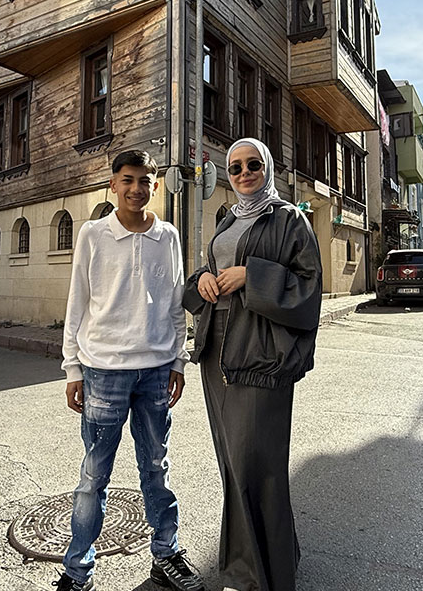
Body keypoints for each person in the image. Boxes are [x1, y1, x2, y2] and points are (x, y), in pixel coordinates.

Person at [56, 150, 202, 591]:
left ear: (155, 185)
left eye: (144, 180)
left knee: (156, 467)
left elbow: (177, 302)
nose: (136, 188)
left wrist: (178, 359)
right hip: (103, 373)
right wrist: (72, 368)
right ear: (113, 185)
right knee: (94, 476)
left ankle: (166, 554)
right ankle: (77, 572)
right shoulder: (93, 234)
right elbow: (77, 301)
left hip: (157, 371)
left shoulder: (168, 236)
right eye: (127, 179)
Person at [183, 138, 323, 591]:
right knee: (234, 465)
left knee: (255, 466)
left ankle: (256, 577)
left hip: (261, 353)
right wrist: (203, 278)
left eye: (253, 164)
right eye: (236, 166)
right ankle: (266, 565)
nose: (244, 173)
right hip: (216, 351)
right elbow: (205, 278)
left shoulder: (289, 219)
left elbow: (309, 287)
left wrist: (252, 276)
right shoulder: (226, 220)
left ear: (268, 167)